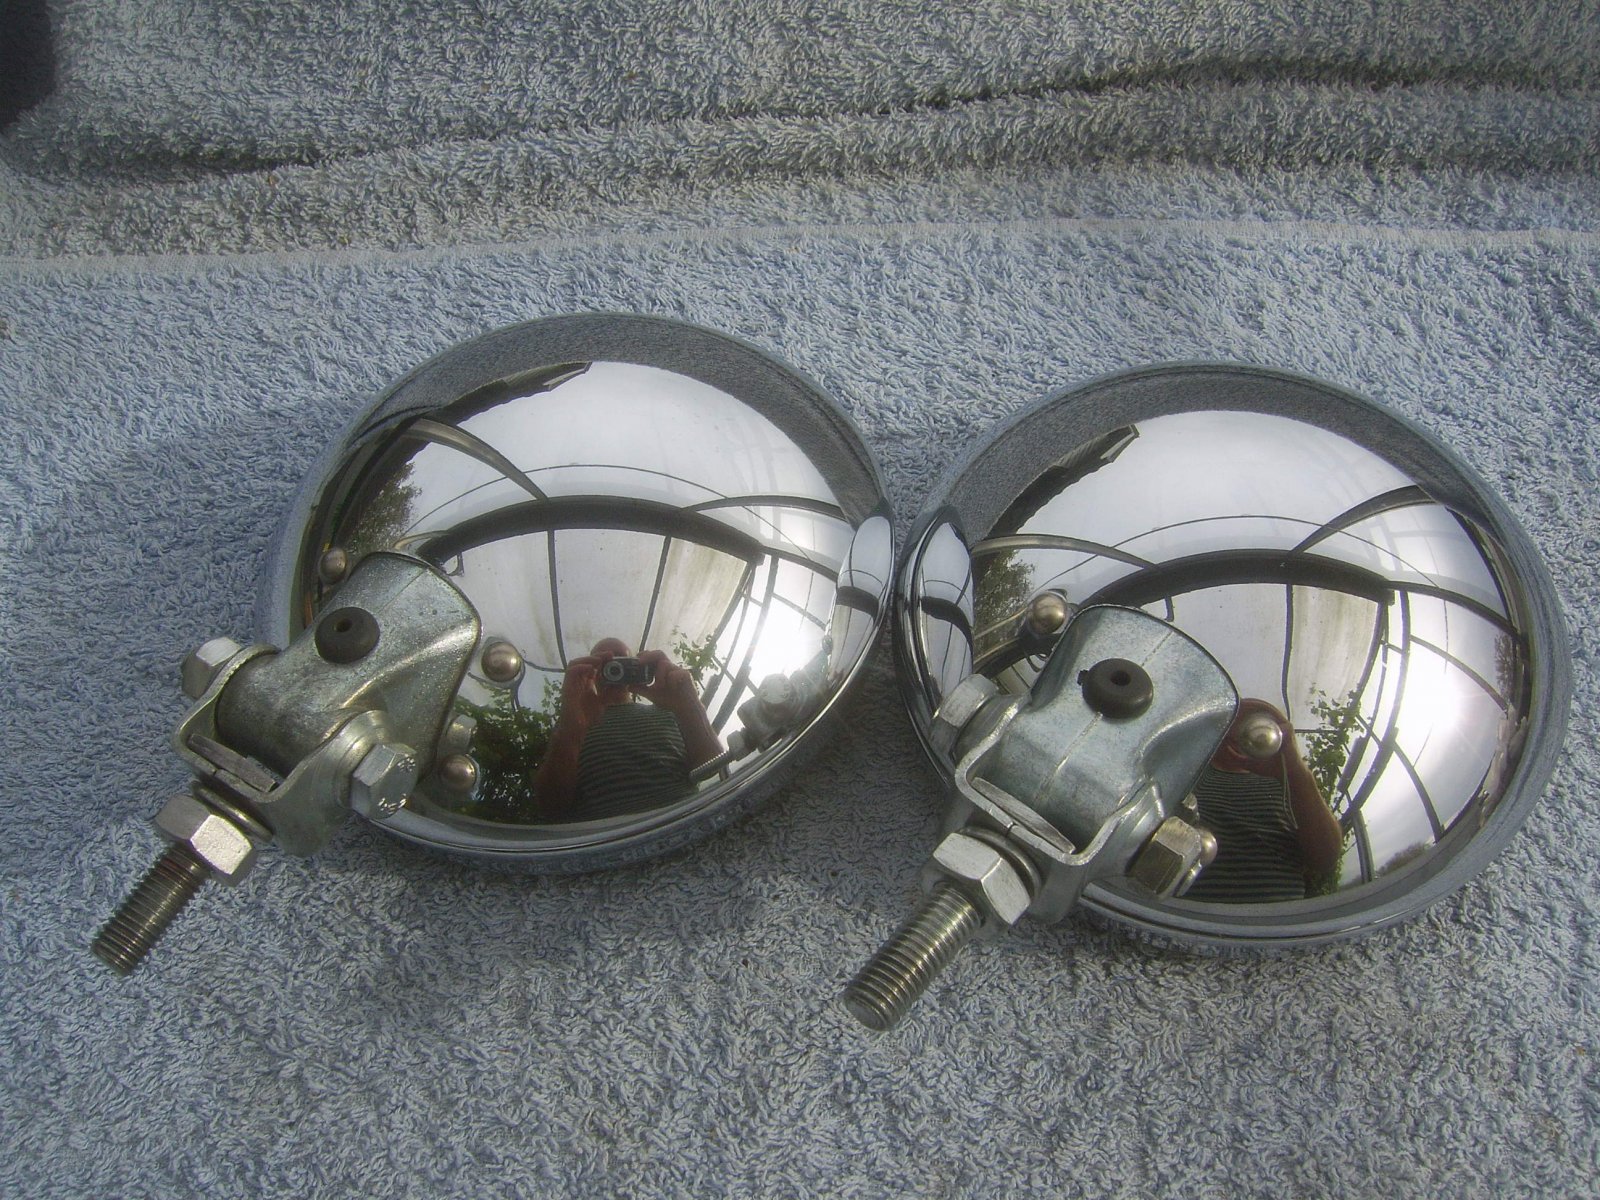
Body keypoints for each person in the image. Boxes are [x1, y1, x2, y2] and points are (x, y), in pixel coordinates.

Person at [531, 638, 723, 821]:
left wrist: (689, 703)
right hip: (609, 838)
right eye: (604, 663)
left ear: (638, 666)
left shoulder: (668, 711)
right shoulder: (574, 724)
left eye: (621, 660)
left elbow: (712, 766)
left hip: (685, 821)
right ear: (591, 672)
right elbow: (551, 805)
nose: (615, 667)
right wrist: (570, 724)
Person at [1184, 698, 1345, 903]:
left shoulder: (1289, 784)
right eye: (1235, 717)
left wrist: (1295, 770)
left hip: (1275, 919)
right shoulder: (1189, 774)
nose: (1246, 729)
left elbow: (1325, 858)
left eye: (1263, 722)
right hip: (1183, 913)